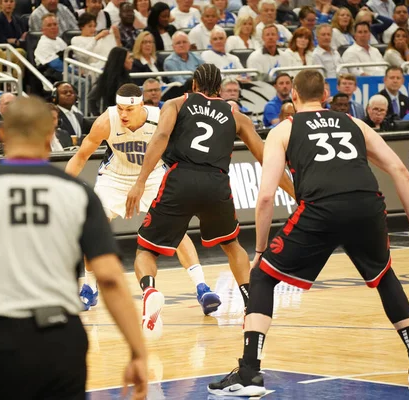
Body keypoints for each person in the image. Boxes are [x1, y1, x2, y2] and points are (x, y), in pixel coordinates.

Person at [207, 69, 409, 396]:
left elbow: (266, 195)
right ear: (325, 95)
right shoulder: (354, 122)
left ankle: (249, 371)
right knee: (384, 276)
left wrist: (260, 251)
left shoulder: (284, 128)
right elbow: (398, 170)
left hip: (321, 207)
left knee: (263, 277)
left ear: (293, 96)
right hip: (366, 204)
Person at [0, 96, 148, 400]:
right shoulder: (78, 194)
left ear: (1, 134)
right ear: (49, 136)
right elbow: (109, 279)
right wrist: (137, 352)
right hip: (61, 342)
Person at [125, 64, 295, 335]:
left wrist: (141, 180)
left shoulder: (176, 103)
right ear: (219, 88)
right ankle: (251, 304)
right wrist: (298, 194)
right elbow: (266, 158)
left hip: (180, 179)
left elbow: (161, 136)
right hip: (216, 182)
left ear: (193, 85)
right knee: (232, 245)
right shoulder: (236, 115)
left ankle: (150, 290)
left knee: (146, 250)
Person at [66, 83, 221, 314]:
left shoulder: (161, 118)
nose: (123, 115)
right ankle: (89, 288)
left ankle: (202, 287)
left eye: (129, 110)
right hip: (115, 177)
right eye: (120, 109)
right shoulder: (106, 121)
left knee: (176, 231)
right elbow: (81, 156)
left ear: (141, 106)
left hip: (151, 176)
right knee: (93, 229)